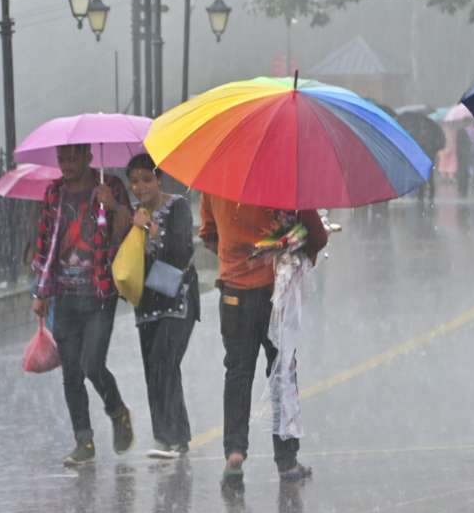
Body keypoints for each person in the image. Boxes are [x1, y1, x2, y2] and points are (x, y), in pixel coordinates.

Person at [199, 195, 328, 484]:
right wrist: (287, 245)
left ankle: (234, 450)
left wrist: (237, 256)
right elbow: (316, 236)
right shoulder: (286, 181)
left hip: (233, 293)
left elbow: (209, 235)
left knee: (237, 373)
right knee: (282, 372)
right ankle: (286, 460)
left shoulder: (217, 182)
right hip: (276, 294)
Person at [30, 143, 135, 466]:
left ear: (89, 157)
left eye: (74, 157)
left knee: (92, 364)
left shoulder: (110, 184)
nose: (67, 163)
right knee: (71, 372)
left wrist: (113, 205)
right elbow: (46, 241)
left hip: (100, 292)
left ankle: (117, 411)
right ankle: (84, 441)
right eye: (62, 158)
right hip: (64, 294)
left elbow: (127, 231)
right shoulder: (54, 193)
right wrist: (41, 292)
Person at [126, 154, 199, 459]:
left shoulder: (178, 206)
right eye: (134, 181)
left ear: (159, 179)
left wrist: (152, 232)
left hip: (177, 299)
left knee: (165, 361)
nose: (140, 187)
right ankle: (165, 437)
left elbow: (181, 251)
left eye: (146, 179)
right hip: (147, 303)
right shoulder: (133, 214)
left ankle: (174, 436)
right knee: (152, 367)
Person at [454, 124, 474, 197]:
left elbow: (457, 145)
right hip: (464, 156)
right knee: (464, 173)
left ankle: (461, 188)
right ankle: (463, 188)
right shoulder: (465, 133)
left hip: (461, 156)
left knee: (461, 172)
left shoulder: (460, 132)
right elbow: (469, 144)